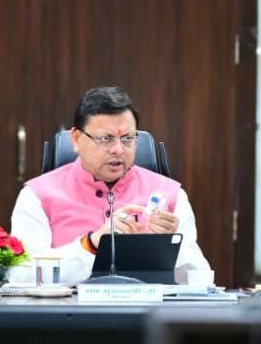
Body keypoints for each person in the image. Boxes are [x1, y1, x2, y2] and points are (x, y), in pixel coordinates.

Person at [11, 86, 210, 284]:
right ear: (76, 139)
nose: (118, 150)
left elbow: (200, 282)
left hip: (146, 305)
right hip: (70, 304)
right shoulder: (38, 196)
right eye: (105, 139)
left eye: (128, 139)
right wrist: (90, 244)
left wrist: (170, 248)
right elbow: (21, 277)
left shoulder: (171, 195)